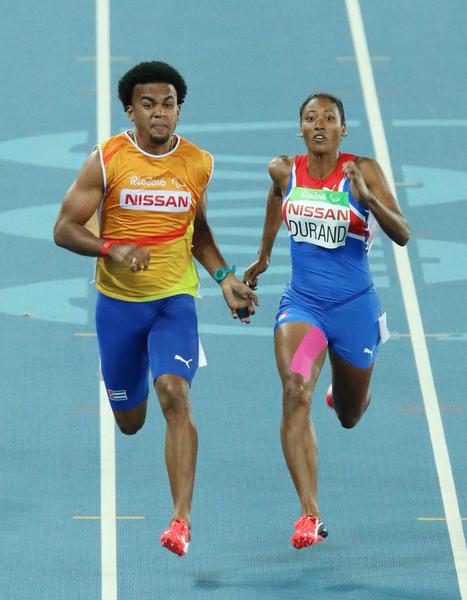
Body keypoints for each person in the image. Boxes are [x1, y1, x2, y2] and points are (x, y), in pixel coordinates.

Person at [54, 60, 258, 557]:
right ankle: (129, 373)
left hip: (174, 301)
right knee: (130, 423)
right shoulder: (107, 160)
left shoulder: (197, 163)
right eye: (149, 104)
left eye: (168, 104)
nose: (160, 113)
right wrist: (111, 249)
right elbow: (64, 228)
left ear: (178, 111)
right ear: (131, 110)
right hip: (119, 307)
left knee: (174, 393)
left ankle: (180, 521)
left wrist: (224, 276)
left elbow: (199, 229)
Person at [243, 92, 409, 549]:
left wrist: (369, 199)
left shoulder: (364, 169)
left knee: (351, 416)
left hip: (354, 311)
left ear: (343, 129)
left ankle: (345, 392)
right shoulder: (284, 169)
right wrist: (263, 257)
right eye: (311, 118)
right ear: (300, 129)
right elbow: (276, 197)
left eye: (329, 118)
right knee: (296, 389)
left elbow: (403, 234)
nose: (320, 124)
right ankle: (309, 514)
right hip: (305, 311)